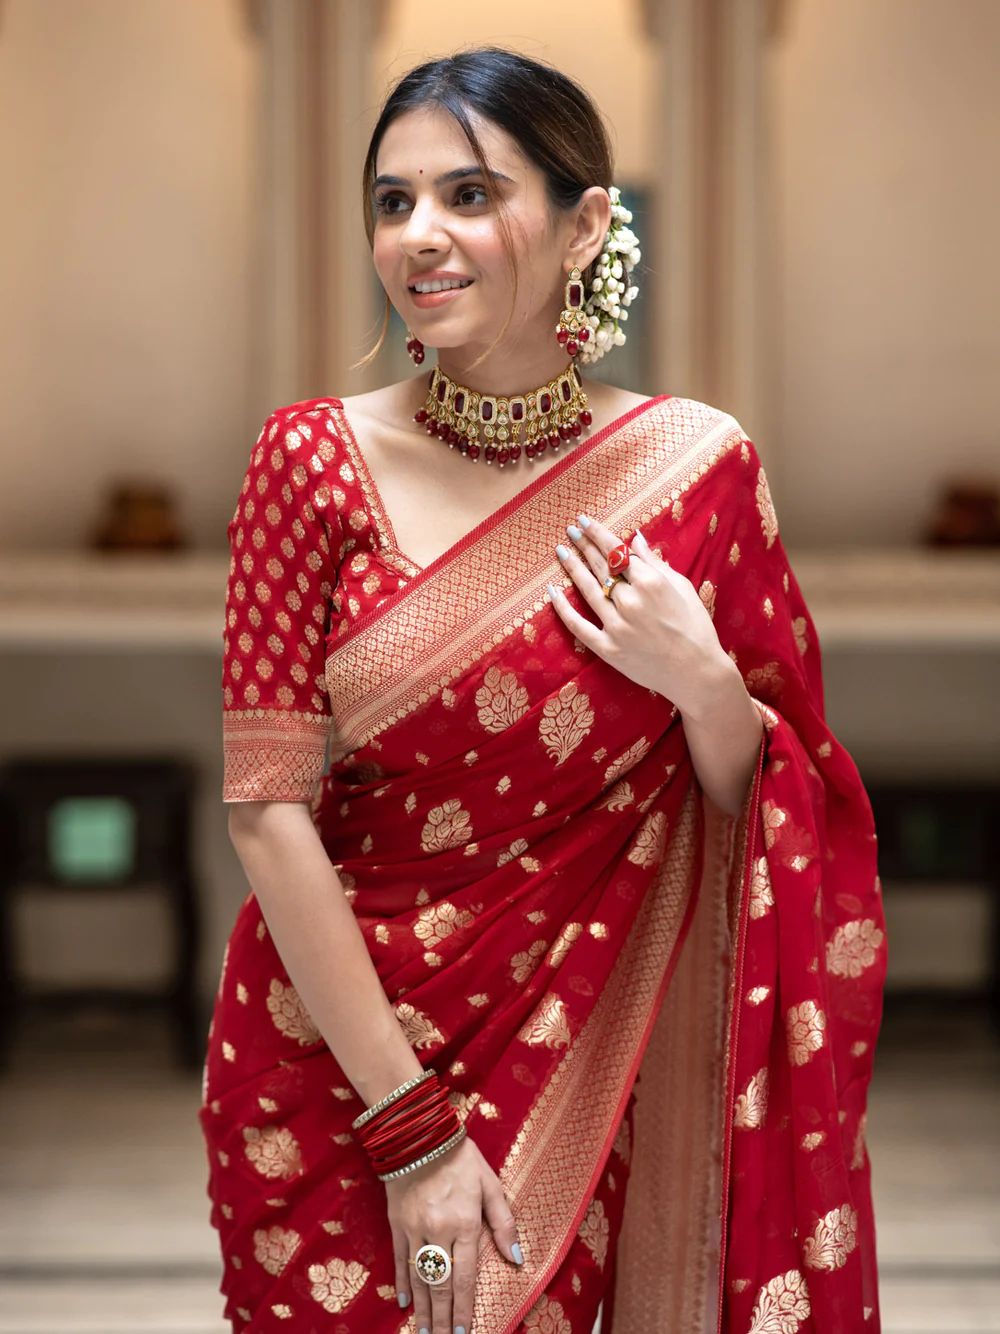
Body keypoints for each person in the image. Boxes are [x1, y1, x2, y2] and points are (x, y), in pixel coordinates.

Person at [198, 45, 886, 1334]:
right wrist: (411, 1133)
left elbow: (774, 801)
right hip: (343, 1065)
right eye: (393, 201)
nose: (421, 236)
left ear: (584, 227)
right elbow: (264, 807)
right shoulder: (311, 459)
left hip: (610, 1052)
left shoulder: (696, 472)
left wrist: (702, 683)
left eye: (469, 194)